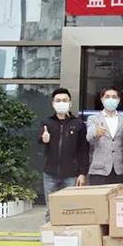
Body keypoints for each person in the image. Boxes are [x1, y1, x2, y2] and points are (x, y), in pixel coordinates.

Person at [37, 88, 89, 222]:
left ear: (70, 103)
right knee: (51, 209)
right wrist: (44, 138)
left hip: (72, 175)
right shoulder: (47, 123)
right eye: (58, 100)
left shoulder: (78, 124)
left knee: (70, 209)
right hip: (50, 173)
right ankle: (50, 234)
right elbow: (40, 138)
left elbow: (83, 150)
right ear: (53, 103)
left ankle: (68, 234)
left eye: (65, 100)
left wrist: (82, 173)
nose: (61, 103)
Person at [86, 87, 123, 185]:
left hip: (120, 169)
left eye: (114, 97)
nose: (111, 99)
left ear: (118, 100)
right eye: (107, 97)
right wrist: (96, 133)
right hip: (99, 170)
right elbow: (89, 137)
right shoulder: (93, 119)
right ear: (102, 99)